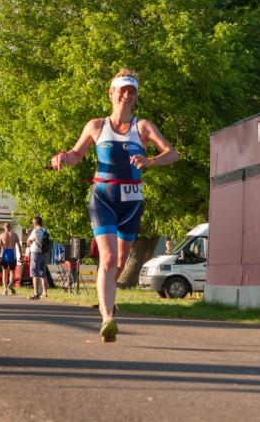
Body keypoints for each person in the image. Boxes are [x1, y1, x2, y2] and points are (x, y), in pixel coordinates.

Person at [51, 69, 178, 342]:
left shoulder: (142, 127)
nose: (127, 95)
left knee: (120, 261)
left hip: (131, 202)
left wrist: (150, 161)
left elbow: (172, 154)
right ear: (111, 93)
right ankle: (107, 318)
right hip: (103, 197)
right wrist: (62, 157)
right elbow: (75, 155)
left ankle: (107, 298)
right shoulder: (97, 126)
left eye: (132, 91)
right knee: (108, 258)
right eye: (123, 90)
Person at [25, 216, 49, 300]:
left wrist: (28, 234)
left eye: (33, 223)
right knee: (43, 273)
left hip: (36, 253)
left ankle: (36, 293)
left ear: (35, 223)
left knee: (34, 273)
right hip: (44, 253)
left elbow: (28, 242)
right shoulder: (45, 230)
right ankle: (45, 293)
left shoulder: (35, 231)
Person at [0, 222, 19, 295]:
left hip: (5, 253)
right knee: (12, 272)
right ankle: (10, 284)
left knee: (4, 272)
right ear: (10, 227)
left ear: (4, 227)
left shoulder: (1, 235)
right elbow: (19, 246)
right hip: (12, 253)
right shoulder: (15, 235)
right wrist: (21, 255)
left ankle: (5, 289)